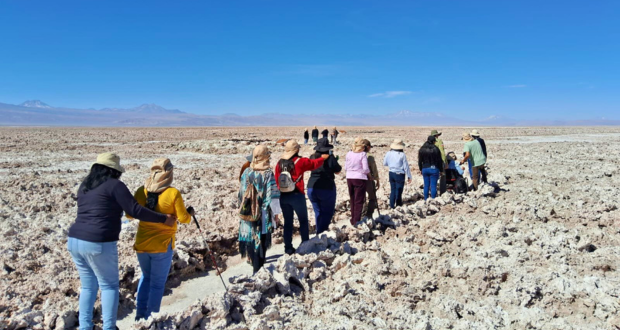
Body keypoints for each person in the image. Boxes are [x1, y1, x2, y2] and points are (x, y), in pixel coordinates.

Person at [67, 153, 176, 330]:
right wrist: (163, 219)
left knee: (88, 287)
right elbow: (134, 210)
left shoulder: (85, 186)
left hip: (74, 241)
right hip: (98, 242)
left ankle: (84, 326)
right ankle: (109, 327)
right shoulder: (115, 185)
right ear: (114, 171)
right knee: (109, 286)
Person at [130, 158, 193, 321]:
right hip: (162, 245)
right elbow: (183, 218)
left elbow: (130, 214)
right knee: (157, 284)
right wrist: (190, 215)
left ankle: (139, 317)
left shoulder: (140, 191)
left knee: (146, 276)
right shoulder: (173, 193)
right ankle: (151, 319)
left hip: (142, 244)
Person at [275, 140, 327, 254]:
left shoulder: (279, 163)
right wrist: (323, 158)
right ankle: (305, 245)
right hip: (297, 195)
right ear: (296, 150)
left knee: (288, 223)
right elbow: (313, 164)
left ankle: (288, 248)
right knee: (303, 221)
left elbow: (276, 180)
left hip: (283, 196)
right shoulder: (300, 161)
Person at [239, 145, 282, 273]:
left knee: (251, 239)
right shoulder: (268, 173)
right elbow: (272, 197)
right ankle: (258, 271)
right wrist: (276, 214)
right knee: (261, 240)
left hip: (247, 212)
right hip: (262, 214)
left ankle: (253, 265)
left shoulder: (246, 172)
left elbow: (241, 194)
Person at [307, 138, 342, 235]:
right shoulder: (330, 158)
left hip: (312, 187)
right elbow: (338, 170)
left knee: (318, 212)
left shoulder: (312, 157)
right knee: (327, 212)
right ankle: (322, 234)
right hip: (326, 188)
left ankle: (319, 233)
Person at [345, 139, 369, 226]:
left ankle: (353, 219)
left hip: (349, 177)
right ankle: (356, 221)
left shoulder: (349, 153)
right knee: (359, 200)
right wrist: (364, 173)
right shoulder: (362, 154)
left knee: (352, 199)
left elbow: (346, 166)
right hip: (359, 178)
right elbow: (365, 168)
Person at [383, 139, 412, 209]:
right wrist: (409, 176)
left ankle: (392, 205)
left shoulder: (388, 153)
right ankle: (398, 205)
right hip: (400, 174)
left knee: (393, 189)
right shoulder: (402, 155)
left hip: (391, 173)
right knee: (399, 190)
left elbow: (385, 163)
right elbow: (406, 166)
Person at [361, 139, 380, 220]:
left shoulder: (356, 154)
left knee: (362, 198)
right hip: (369, 179)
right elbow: (374, 169)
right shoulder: (370, 156)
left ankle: (362, 215)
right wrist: (377, 180)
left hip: (359, 178)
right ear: (368, 147)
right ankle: (369, 215)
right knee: (372, 197)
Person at [430, 129, 447, 195]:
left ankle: (433, 193)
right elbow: (442, 152)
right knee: (442, 176)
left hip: (430, 162)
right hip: (439, 161)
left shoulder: (429, 141)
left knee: (433, 178)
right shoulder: (439, 141)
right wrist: (444, 162)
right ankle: (442, 193)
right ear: (437, 135)